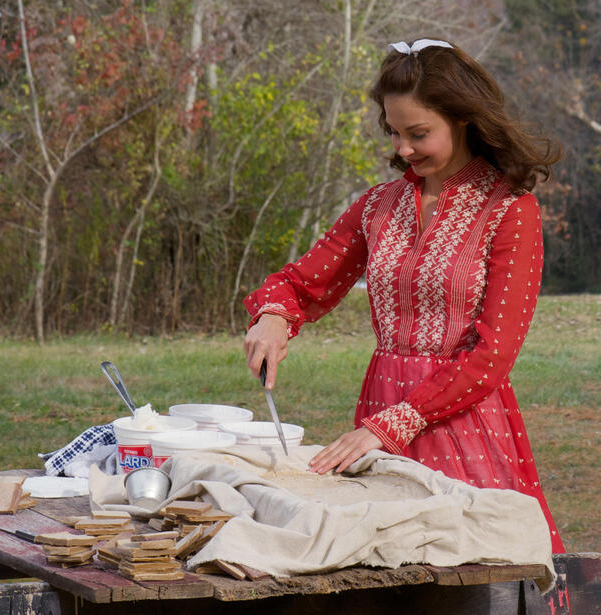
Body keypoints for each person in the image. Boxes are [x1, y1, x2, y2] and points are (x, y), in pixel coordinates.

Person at [242, 38, 565, 552]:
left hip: (461, 419)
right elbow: (301, 282)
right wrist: (274, 317)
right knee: (382, 568)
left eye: (418, 133)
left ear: (463, 119)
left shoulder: (509, 210)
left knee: (471, 573)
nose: (402, 149)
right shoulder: (378, 206)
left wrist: (393, 424)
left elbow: (493, 354)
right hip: (377, 407)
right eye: (394, 132)